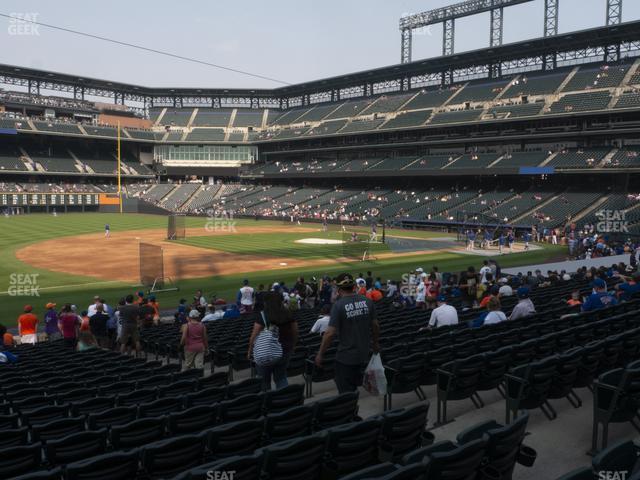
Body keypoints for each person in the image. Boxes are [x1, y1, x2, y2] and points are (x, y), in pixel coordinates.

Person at [315, 273, 379, 394]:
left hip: (346, 358)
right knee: (355, 385)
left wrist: (320, 354)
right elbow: (375, 326)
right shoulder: (368, 301)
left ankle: (350, 410)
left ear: (339, 290)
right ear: (354, 286)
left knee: (346, 392)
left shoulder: (338, 306)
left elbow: (329, 333)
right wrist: (376, 344)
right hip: (365, 353)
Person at [248, 291, 298, 390]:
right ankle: (285, 400)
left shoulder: (263, 315)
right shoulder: (288, 313)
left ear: (266, 302)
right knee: (281, 378)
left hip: (267, 352)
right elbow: (295, 332)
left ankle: (268, 403)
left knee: (264, 380)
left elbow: (254, 335)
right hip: (285, 350)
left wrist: (250, 350)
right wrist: (293, 346)